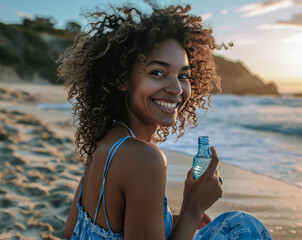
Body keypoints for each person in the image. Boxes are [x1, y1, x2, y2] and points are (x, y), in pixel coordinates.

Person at [58, 2, 273, 239]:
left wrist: (169, 221)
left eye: (183, 76)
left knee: (230, 223)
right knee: (243, 227)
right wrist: (193, 208)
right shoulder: (144, 158)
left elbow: (72, 232)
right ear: (122, 79)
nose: (176, 89)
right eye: (158, 73)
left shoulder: (103, 143)